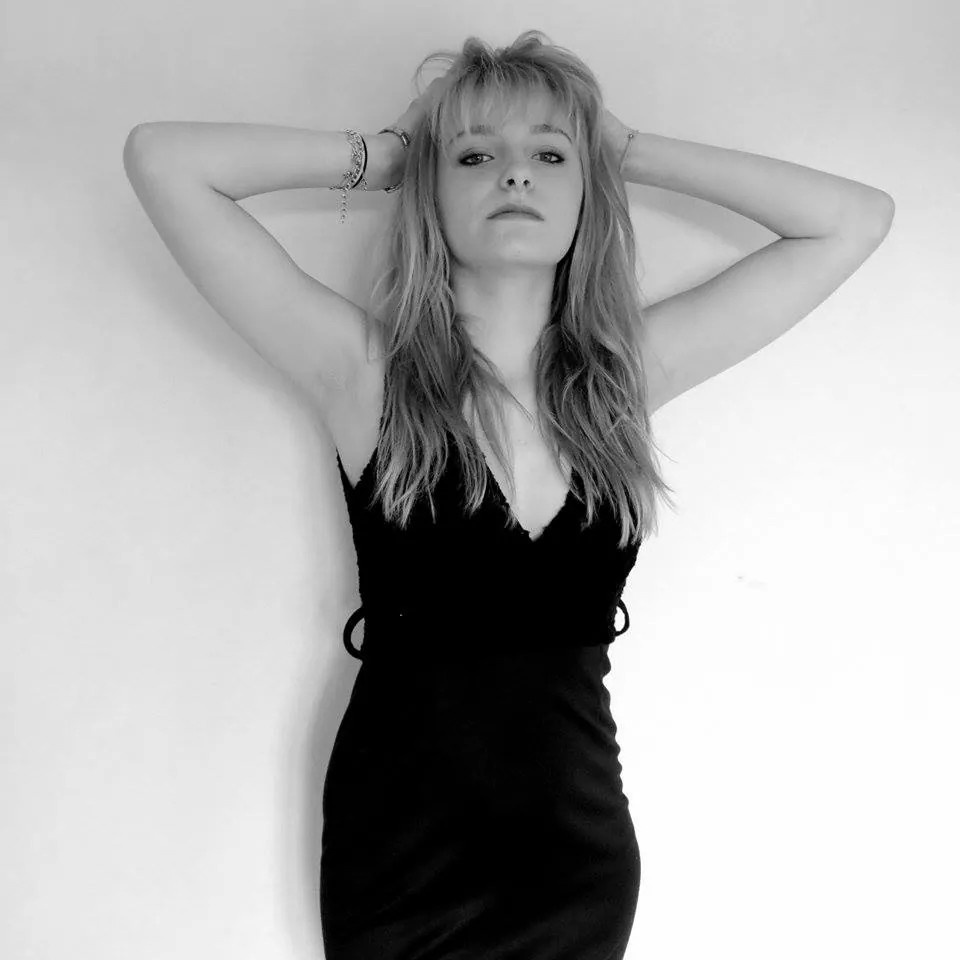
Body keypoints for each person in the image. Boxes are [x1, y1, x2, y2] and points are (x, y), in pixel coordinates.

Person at [123, 28, 894, 960]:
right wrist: (393, 156)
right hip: (400, 861)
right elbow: (163, 161)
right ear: (432, 189)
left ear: (588, 187)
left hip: (576, 863)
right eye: (476, 156)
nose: (516, 173)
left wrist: (623, 147)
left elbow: (853, 219)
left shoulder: (621, 383)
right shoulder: (366, 373)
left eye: (550, 155)